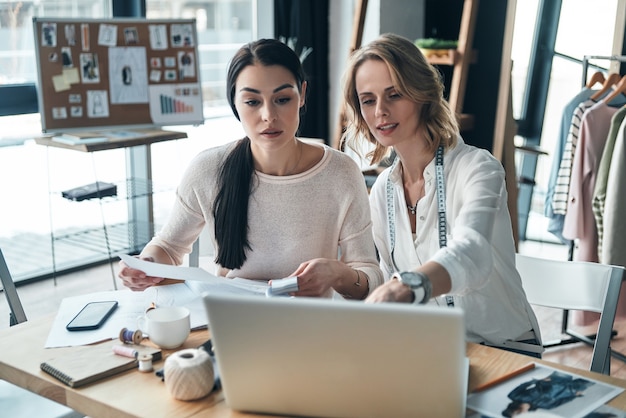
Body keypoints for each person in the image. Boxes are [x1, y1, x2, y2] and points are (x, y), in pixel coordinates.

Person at [118, 38, 383, 299]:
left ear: (302, 94)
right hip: (232, 320)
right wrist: (145, 265)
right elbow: (168, 246)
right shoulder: (208, 169)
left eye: (282, 99)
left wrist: (338, 274)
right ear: (234, 101)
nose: (268, 115)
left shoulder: (340, 173)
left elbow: (368, 274)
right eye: (252, 102)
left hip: (309, 325)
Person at [341, 33, 542, 353]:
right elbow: (388, 275)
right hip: (430, 345)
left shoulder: (478, 168)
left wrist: (408, 286)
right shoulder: (382, 191)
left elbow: (472, 254)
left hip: (501, 348)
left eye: (394, 95)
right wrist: (340, 279)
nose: (380, 110)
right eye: (368, 99)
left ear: (422, 95)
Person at [502, 371, 592, 416]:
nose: (522, 414)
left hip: (554, 380)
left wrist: (539, 379)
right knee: (594, 377)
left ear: (514, 410)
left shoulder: (514, 396)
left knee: (572, 361)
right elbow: (561, 402)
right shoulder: (545, 406)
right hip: (571, 389)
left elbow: (524, 384)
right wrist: (575, 395)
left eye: (517, 414)